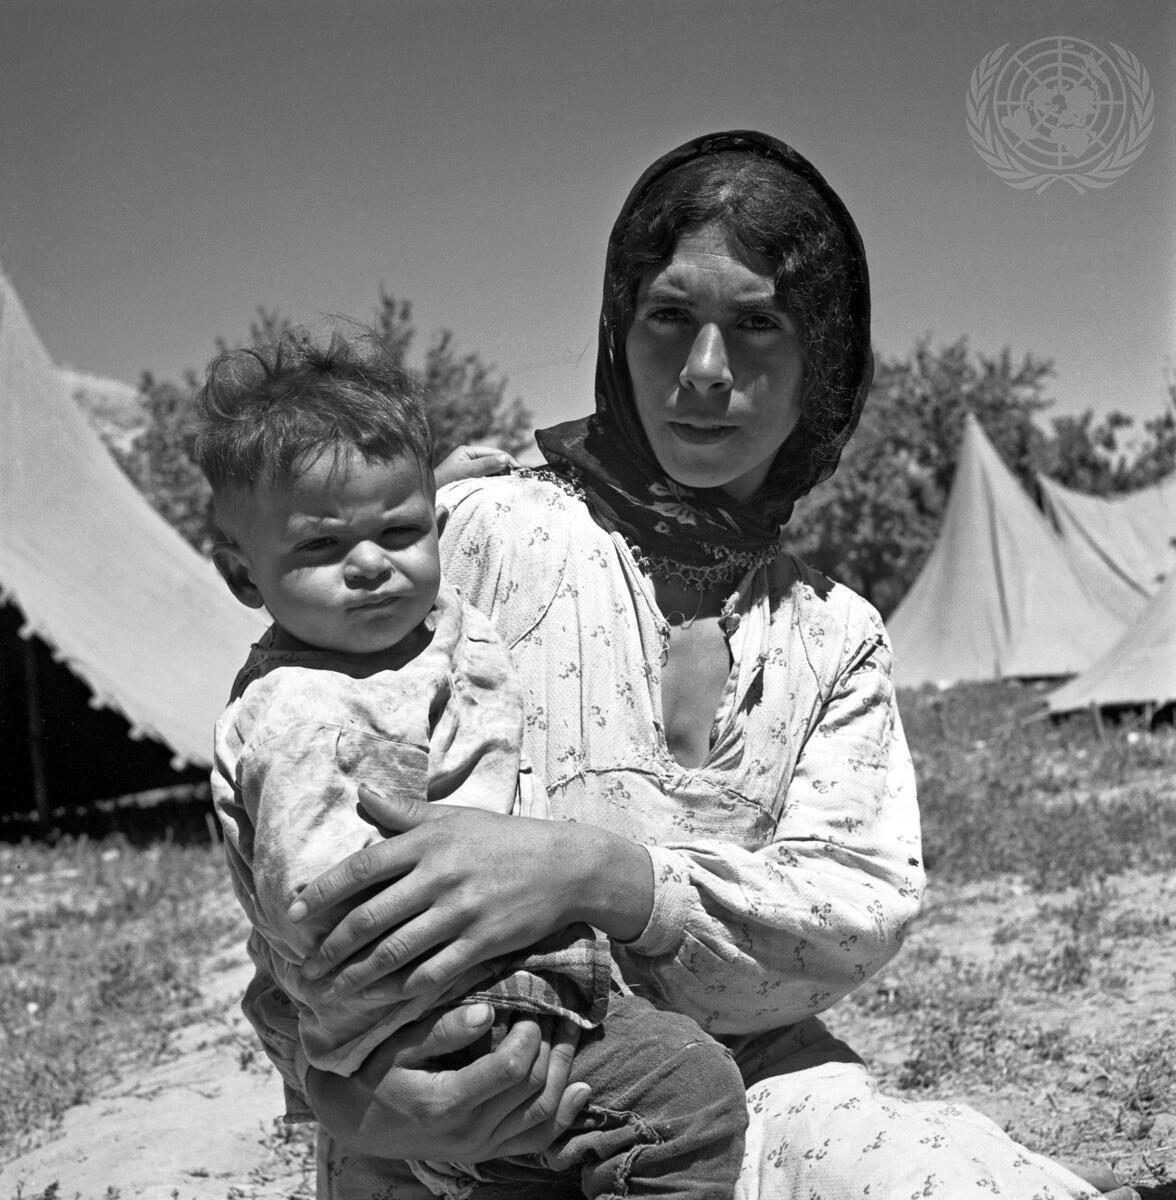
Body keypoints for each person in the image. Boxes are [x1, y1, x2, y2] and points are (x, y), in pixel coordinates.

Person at [239, 132, 1139, 1200]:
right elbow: (287, 816)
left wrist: (597, 875)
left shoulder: (832, 637)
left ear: (824, 364)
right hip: (464, 1120)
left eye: (758, 324)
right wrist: (346, 1094)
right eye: (669, 316)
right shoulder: (476, 537)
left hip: (746, 1094)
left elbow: (854, 910)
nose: (706, 371)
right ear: (620, 333)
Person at [194, 332, 749, 1199]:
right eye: (321, 547)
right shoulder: (306, 711)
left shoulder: (403, 633)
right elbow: (321, 907)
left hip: (486, 989)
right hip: (450, 1005)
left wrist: (433, 492)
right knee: (691, 1094)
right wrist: (370, 1071)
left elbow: (421, 574)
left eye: (400, 529)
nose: (371, 564)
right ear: (242, 576)